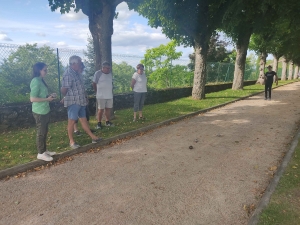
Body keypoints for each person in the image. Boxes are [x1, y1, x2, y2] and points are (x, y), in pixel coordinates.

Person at [61, 55, 101, 149]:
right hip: (73, 102)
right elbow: (63, 90)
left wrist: (85, 96)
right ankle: (72, 141)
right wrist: (66, 97)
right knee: (71, 122)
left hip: (81, 101)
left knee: (84, 120)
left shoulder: (77, 73)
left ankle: (93, 137)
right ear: (74, 64)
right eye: (79, 63)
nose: (81, 64)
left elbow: (81, 87)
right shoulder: (68, 74)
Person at [30, 62, 57, 161]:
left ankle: (44, 150)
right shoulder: (36, 81)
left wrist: (49, 96)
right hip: (39, 111)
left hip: (44, 110)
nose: (46, 72)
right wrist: (47, 99)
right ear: (39, 70)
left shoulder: (41, 80)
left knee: (44, 131)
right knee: (41, 132)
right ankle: (40, 153)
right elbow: (32, 99)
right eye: (45, 70)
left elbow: (40, 95)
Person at [92, 61, 114, 129]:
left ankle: (107, 121)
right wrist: (96, 92)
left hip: (109, 95)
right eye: (107, 68)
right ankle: (99, 123)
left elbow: (111, 83)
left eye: (109, 68)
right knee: (100, 109)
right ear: (103, 68)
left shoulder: (110, 73)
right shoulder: (98, 73)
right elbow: (94, 83)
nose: (108, 70)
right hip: (101, 95)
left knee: (108, 109)